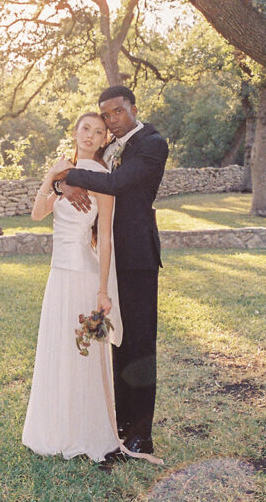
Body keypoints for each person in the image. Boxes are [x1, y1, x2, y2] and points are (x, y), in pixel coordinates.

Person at [55, 85, 169, 460]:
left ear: (133, 108)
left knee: (138, 344)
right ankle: (117, 424)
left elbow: (116, 184)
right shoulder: (110, 145)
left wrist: (69, 177)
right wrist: (60, 182)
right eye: (106, 115)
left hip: (136, 256)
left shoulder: (152, 143)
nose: (111, 121)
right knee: (114, 344)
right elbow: (89, 165)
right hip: (104, 257)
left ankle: (141, 435)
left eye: (117, 112)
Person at [21, 111, 123, 462]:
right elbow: (37, 214)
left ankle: (85, 429)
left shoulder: (104, 178)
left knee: (82, 354)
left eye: (98, 132)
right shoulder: (62, 175)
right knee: (57, 349)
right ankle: (55, 428)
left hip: (83, 274)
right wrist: (52, 176)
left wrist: (103, 290)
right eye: (85, 129)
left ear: (104, 139)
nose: (91, 136)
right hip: (57, 275)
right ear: (75, 132)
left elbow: (105, 238)